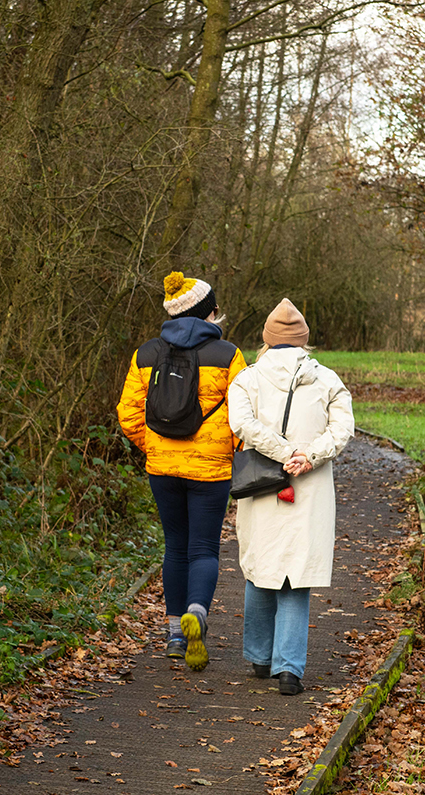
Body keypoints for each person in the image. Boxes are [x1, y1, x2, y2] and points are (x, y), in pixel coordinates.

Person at [117, 271, 246, 670]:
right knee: (204, 547)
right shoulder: (227, 356)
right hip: (210, 470)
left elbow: (128, 414)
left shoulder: (146, 354)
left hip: (162, 466)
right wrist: (231, 450)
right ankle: (197, 614)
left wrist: (153, 445)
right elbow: (243, 418)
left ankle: (175, 634)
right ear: (209, 311)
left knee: (175, 545)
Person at [226, 298, 353, 696]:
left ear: (267, 340)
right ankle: (289, 670)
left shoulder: (247, 379)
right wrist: (306, 456)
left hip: (261, 485)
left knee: (260, 568)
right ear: (303, 340)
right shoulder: (329, 380)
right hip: (309, 490)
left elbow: (241, 423)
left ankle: (260, 658)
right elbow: (344, 428)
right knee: (296, 577)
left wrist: (280, 453)